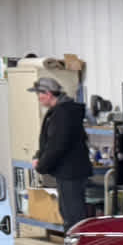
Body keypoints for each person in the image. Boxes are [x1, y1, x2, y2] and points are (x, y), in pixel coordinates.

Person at [32, 75, 93, 229]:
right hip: (68, 171)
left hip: (70, 172)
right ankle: (73, 243)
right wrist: (39, 156)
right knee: (68, 213)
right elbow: (49, 141)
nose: (38, 98)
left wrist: (41, 166)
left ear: (48, 94)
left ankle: (76, 244)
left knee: (73, 216)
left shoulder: (63, 113)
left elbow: (57, 145)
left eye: (39, 94)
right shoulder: (61, 111)